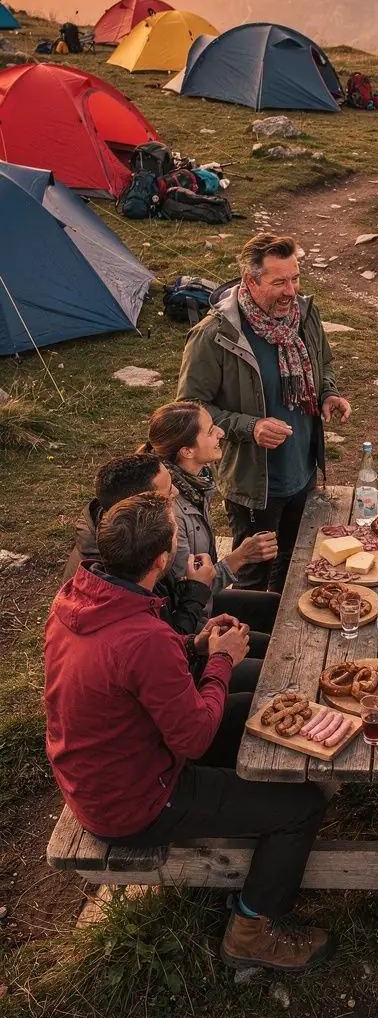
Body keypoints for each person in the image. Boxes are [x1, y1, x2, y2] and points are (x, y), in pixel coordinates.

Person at [44, 492, 331, 971]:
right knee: (304, 806)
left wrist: (195, 643)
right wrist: (221, 660)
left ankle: (251, 834)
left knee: (244, 710)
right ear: (161, 559)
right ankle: (251, 931)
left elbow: (139, 661)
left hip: (104, 767)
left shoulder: (78, 599)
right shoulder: (141, 639)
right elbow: (195, 738)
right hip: (135, 801)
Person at [177, 233, 351, 592]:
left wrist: (328, 393)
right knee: (253, 576)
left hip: (302, 471)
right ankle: (250, 643)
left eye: (296, 278)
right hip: (254, 483)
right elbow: (190, 410)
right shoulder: (214, 336)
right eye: (279, 282)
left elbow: (324, 362)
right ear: (250, 281)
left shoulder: (303, 314)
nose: (292, 291)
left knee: (295, 563)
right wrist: (250, 427)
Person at [142, 400, 281, 688]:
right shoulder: (172, 509)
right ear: (186, 451)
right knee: (274, 669)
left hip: (200, 614)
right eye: (209, 431)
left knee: (275, 611)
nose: (220, 432)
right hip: (188, 632)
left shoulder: (196, 481)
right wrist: (238, 559)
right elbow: (187, 590)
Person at [62, 453, 213, 636]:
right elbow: (162, 641)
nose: (175, 491)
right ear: (143, 501)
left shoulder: (132, 535)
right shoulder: (120, 562)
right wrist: (195, 593)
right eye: (167, 490)